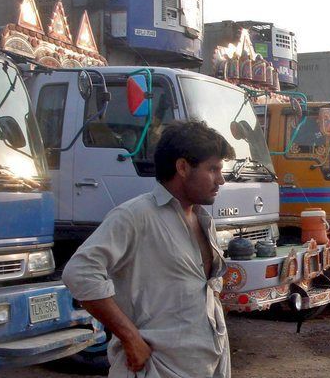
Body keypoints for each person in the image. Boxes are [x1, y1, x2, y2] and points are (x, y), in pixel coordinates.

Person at [62, 120, 235, 377]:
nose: (220, 179)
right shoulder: (135, 215)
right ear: (183, 167)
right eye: (213, 169)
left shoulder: (202, 219)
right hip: (155, 368)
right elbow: (79, 272)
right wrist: (130, 337)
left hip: (206, 364)